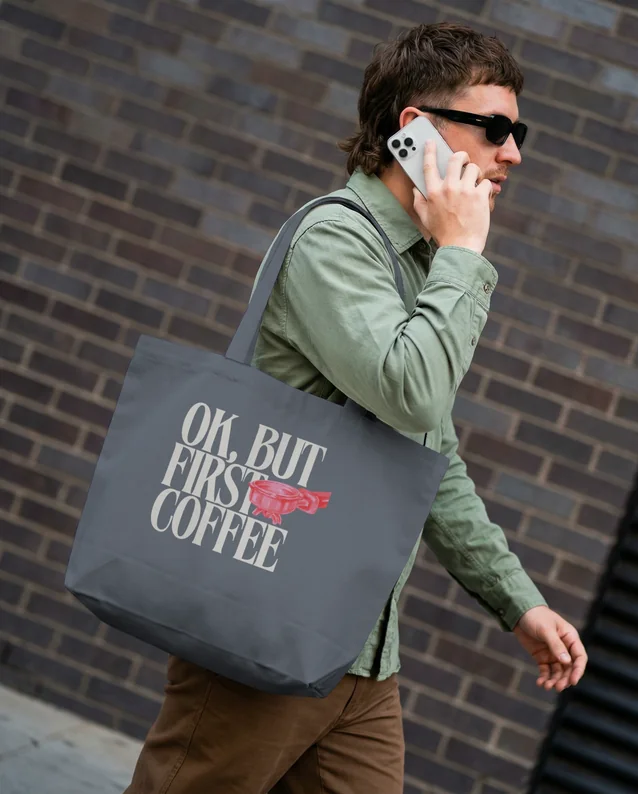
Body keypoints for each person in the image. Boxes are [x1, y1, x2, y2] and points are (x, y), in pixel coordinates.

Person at [125, 22, 587, 794]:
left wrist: (519, 603)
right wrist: (466, 257)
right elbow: (412, 388)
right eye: (495, 128)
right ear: (416, 131)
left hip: (363, 656)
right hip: (265, 629)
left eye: (519, 131)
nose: (513, 153)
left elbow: (427, 456)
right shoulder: (339, 242)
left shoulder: (421, 266)